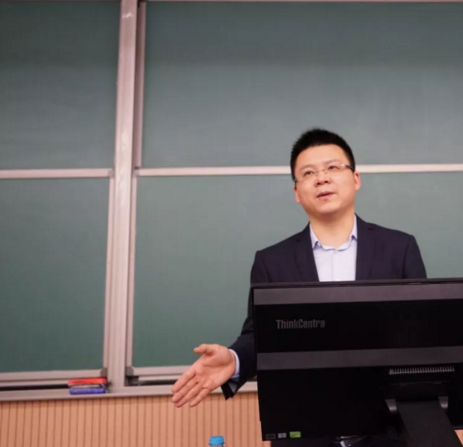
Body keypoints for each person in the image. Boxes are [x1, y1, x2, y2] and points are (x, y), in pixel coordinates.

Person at [171, 128, 427, 446]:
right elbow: (259, 337)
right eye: (308, 173)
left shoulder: (399, 249)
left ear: (356, 179)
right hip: (304, 433)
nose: (321, 178)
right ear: (296, 191)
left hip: (389, 433)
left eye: (332, 167)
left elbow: (421, 335)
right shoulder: (271, 262)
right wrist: (235, 359)